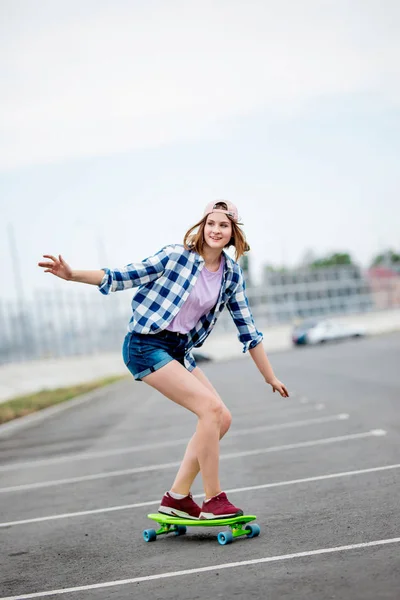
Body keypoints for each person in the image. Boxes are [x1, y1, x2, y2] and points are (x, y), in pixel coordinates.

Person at [38, 200, 289, 520]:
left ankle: (177, 497)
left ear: (232, 233)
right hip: (145, 344)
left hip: (179, 350)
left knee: (221, 418)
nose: (215, 230)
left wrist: (270, 376)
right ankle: (213, 500)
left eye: (223, 226)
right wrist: (72, 274)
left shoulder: (231, 275)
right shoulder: (175, 257)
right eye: (210, 223)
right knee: (209, 410)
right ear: (201, 226)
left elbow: (248, 330)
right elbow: (123, 276)